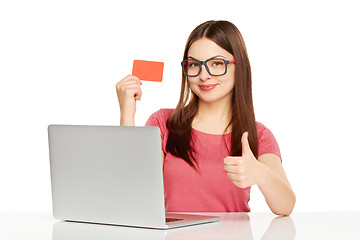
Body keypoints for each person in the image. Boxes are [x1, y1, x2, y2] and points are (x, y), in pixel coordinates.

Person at [116, 20, 296, 215]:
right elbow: (133, 192)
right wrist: (127, 115)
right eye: (194, 65)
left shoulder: (257, 134)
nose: (204, 75)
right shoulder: (163, 123)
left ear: (239, 66)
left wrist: (261, 174)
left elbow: (285, 207)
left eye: (217, 63)